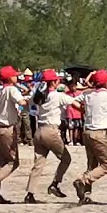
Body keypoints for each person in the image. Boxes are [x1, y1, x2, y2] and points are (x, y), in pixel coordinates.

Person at [24, 69, 75, 203]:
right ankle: (55, 184)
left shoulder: (38, 96)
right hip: (51, 130)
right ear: (53, 82)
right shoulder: (58, 96)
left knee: (38, 164)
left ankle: (30, 193)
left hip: (39, 130)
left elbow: (28, 104)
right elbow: (75, 103)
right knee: (66, 158)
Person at [73, 70, 107, 204]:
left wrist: (84, 111)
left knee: (92, 164)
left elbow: (73, 102)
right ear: (105, 83)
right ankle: (83, 180)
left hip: (87, 131)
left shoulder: (87, 94)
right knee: (106, 165)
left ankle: (86, 195)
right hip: (100, 132)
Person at [0, 66, 29, 204]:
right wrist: (27, 101)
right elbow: (21, 102)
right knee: (12, 162)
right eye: (15, 76)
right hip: (7, 128)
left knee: (0, 162)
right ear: (10, 78)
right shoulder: (12, 90)